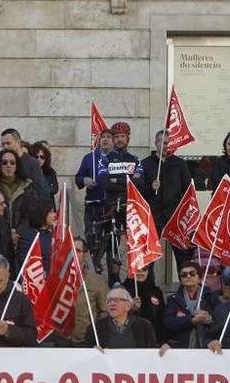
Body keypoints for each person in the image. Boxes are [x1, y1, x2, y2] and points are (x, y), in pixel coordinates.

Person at [140, 130, 194, 269]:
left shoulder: (179, 164)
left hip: (174, 214)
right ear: (156, 143)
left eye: (169, 143)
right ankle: (148, 287)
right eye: (163, 143)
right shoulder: (145, 164)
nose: (166, 146)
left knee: (182, 253)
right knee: (149, 253)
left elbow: (188, 189)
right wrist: (151, 187)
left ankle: (184, 286)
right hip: (153, 214)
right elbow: (138, 190)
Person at [52, 237, 108, 347]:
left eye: (77, 250)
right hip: (61, 341)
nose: (73, 254)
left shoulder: (97, 281)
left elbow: (105, 312)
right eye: (70, 250)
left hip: (85, 342)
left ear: (85, 254)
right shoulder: (57, 279)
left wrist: (94, 332)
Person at [85, 288, 167, 352]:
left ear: (128, 305)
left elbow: (153, 352)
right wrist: (92, 351)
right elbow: (84, 352)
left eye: (117, 300)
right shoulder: (95, 328)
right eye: (109, 301)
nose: (112, 303)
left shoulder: (144, 326)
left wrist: (165, 349)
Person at [76, 129, 114, 259]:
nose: (105, 139)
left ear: (113, 141)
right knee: (91, 237)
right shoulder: (89, 158)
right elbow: (78, 178)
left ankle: (112, 276)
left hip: (111, 207)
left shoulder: (117, 158)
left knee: (111, 242)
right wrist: (84, 180)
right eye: (103, 137)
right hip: (93, 206)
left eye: (109, 137)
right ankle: (92, 266)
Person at [163, 261, 218, 348]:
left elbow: (220, 322)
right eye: (184, 275)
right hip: (181, 346)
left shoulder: (211, 297)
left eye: (192, 273)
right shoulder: (173, 299)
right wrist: (192, 320)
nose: (188, 276)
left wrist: (209, 319)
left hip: (207, 345)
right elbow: (169, 323)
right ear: (180, 280)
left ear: (199, 278)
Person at [0, 128, 48, 198]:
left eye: (8, 143)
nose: (5, 147)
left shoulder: (32, 163)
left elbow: (40, 188)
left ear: (18, 142)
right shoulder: (0, 162)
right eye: (3, 144)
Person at [123, 265, 165, 335]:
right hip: (130, 338)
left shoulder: (156, 291)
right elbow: (115, 316)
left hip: (153, 338)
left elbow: (162, 317)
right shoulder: (122, 290)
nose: (141, 272)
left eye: (144, 269)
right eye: (137, 269)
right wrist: (131, 309)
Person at [17, 197, 55, 274]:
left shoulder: (53, 234)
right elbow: (25, 262)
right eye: (51, 212)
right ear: (42, 213)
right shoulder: (27, 237)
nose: (54, 215)